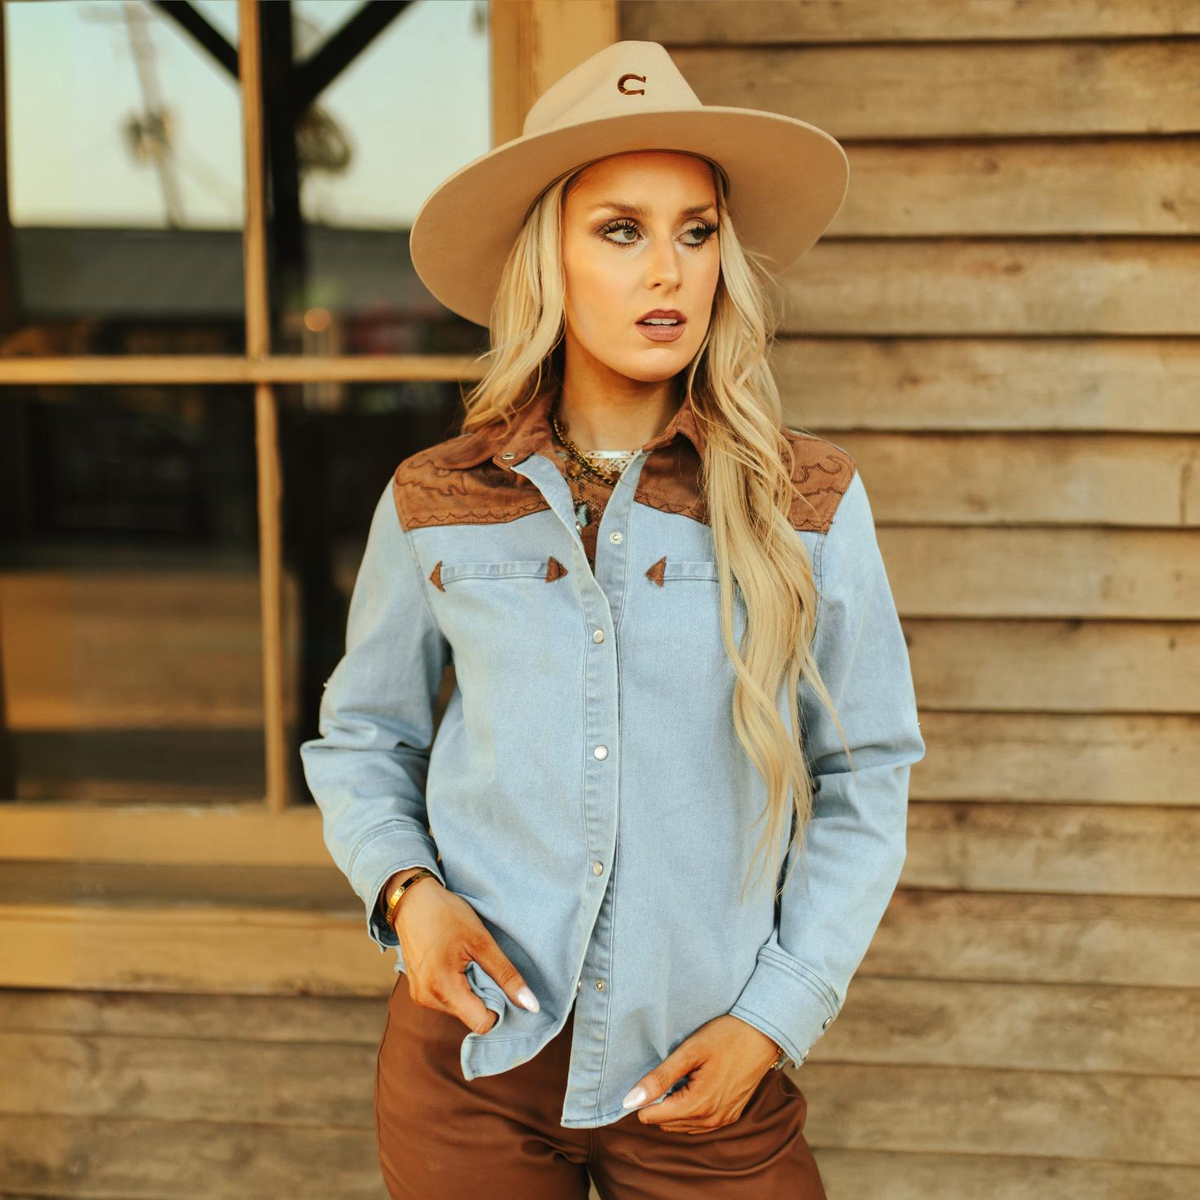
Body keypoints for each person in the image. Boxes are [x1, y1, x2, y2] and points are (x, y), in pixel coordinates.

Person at [299, 39, 925, 1200]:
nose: (670, 272)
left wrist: (773, 1021)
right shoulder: (436, 499)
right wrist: (408, 895)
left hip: (709, 1069)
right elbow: (364, 739)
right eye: (621, 231)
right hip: (473, 1065)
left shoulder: (809, 502)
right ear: (550, 257)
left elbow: (866, 774)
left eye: (696, 232)